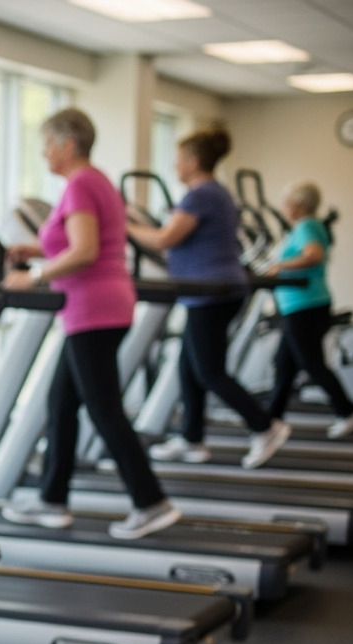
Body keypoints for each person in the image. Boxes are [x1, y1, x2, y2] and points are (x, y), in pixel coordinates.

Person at [1, 108, 182, 541]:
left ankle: (152, 502)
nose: (43, 152)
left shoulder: (81, 184)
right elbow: (88, 245)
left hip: (92, 309)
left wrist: (35, 276)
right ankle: (52, 501)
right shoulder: (95, 181)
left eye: (47, 143)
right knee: (61, 403)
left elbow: (84, 251)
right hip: (98, 307)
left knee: (104, 409)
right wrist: (36, 249)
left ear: (67, 144)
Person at [126, 126, 292, 470]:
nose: (175, 165)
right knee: (189, 366)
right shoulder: (214, 193)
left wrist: (122, 226)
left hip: (212, 294)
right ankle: (191, 438)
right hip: (208, 293)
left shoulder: (201, 195)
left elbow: (164, 240)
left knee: (210, 372)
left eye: (178, 159)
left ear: (193, 160)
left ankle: (265, 426)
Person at [263, 181, 353, 438]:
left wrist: (279, 266)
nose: (283, 207)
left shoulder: (307, 226)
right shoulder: (308, 226)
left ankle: (348, 410)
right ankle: (269, 422)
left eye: (286, 203)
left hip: (304, 306)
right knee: (284, 364)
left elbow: (313, 255)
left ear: (297, 205)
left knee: (311, 364)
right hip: (303, 305)